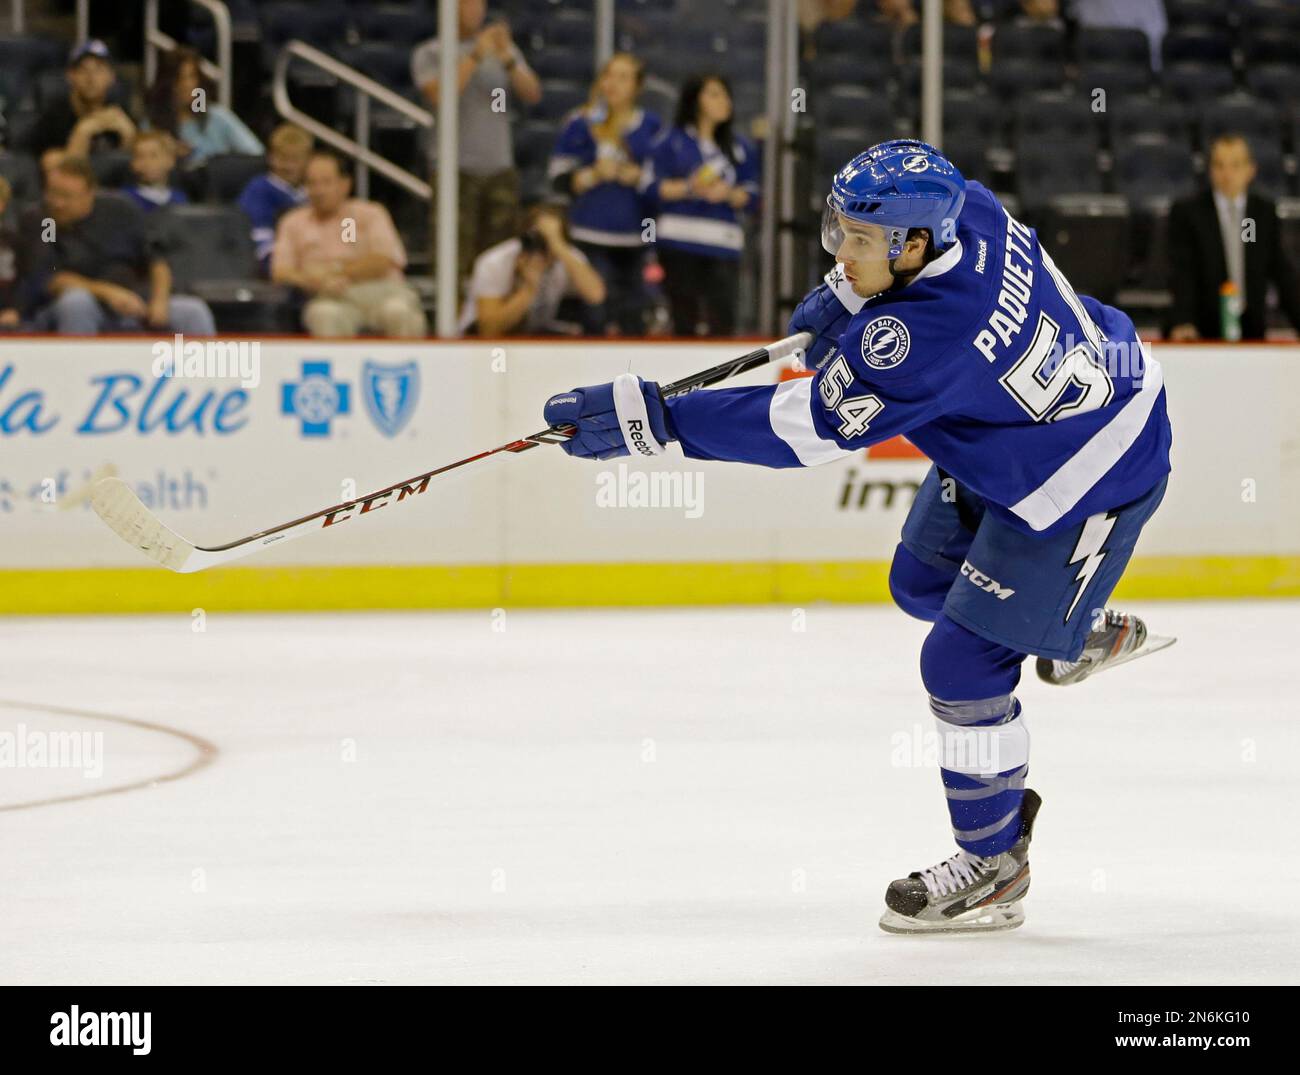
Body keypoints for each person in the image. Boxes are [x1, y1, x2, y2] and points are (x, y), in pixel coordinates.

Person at [542, 139, 1174, 934]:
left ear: (915, 246)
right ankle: (1059, 628)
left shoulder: (925, 339)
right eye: (838, 229)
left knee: (959, 660)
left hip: (1090, 471)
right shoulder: (966, 205)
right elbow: (883, 301)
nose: (841, 251)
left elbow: (803, 427)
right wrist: (845, 295)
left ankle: (993, 863)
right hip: (1025, 425)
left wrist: (659, 420)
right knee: (917, 582)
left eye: (860, 241)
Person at [412, 0, 542, 294]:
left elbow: (532, 93)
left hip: (500, 168)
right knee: (453, 258)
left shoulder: (502, 51)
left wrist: (507, 58)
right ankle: (452, 326)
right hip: (455, 171)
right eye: (467, 4)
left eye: (479, 5)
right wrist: (475, 55)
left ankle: (493, 327)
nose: (476, 11)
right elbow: (440, 95)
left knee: (500, 259)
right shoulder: (430, 52)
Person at [20, 155, 215, 335]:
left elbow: (157, 261)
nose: (57, 203)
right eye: (53, 193)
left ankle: (205, 373)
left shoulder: (121, 210)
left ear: (90, 194)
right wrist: (108, 293)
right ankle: (77, 370)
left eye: (66, 196)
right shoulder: (45, 220)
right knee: (76, 302)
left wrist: (160, 301)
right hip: (71, 306)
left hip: (132, 302)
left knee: (193, 311)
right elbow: (51, 279)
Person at [548, 52, 661, 335]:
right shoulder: (581, 122)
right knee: (596, 318)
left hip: (637, 242)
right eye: (609, 75)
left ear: (637, 87)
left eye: (623, 77)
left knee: (635, 320)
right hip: (589, 238)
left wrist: (637, 177)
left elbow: (663, 182)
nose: (613, 83)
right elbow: (558, 179)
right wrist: (593, 174)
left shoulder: (651, 126)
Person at [645, 74, 759, 336]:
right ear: (695, 100)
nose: (725, 102)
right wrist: (689, 187)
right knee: (684, 319)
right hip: (679, 242)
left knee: (723, 320)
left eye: (726, 95)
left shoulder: (740, 146)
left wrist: (728, 194)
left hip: (723, 243)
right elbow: (651, 188)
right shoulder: (670, 141)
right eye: (715, 94)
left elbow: (753, 196)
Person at [271, 151, 426, 338]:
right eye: (312, 183)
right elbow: (280, 271)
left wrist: (336, 272)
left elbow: (382, 260)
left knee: (400, 312)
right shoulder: (293, 222)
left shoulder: (368, 214)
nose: (319, 190)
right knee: (324, 315)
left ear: (345, 184)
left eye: (326, 182)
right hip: (329, 297)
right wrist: (313, 281)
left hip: (380, 291)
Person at [1167, 133, 1300, 341]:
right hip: (1202, 330)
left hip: (1252, 329)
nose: (1227, 174)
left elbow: (1282, 273)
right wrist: (1183, 320)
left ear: (1250, 170)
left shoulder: (1262, 213)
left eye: (1235, 165)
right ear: (1210, 170)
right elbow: (1183, 272)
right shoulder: (1189, 213)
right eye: (1220, 165)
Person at [458, 204, 606, 336]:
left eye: (548, 242)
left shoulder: (564, 256)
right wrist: (528, 289)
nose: (541, 250)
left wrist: (557, 244)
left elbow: (596, 295)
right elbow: (488, 330)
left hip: (535, 335)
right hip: (478, 339)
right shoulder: (495, 262)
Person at [145, 46, 263, 166]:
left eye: (192, 76)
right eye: (179, 78)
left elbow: (256, 154)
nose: (187, 85)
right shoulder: (152, 124)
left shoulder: (218, 116)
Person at [28, 39, 137, 159]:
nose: (91, 78)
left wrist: (129, 136)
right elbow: (52, 167)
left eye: (98, 70)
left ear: (111, 77)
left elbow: (132, 167)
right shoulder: (53, 117)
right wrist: (82, 133)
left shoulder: (120, 111)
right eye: (83, 70)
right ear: (70, 76)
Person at [237, 124, 312, 274]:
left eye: (295, 159)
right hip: (279, 268)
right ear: (271, 157)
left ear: (307, 160)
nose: (288, 166)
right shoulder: (259, 190)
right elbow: (258, 245)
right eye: (282, 158)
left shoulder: (313, 191)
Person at [121, 130, 188, 213]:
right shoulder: (125, 199)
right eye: (140, 156)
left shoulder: (179, 198)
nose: (147, 162)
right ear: (133, 164)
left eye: (154, 156)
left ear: (171, 160)